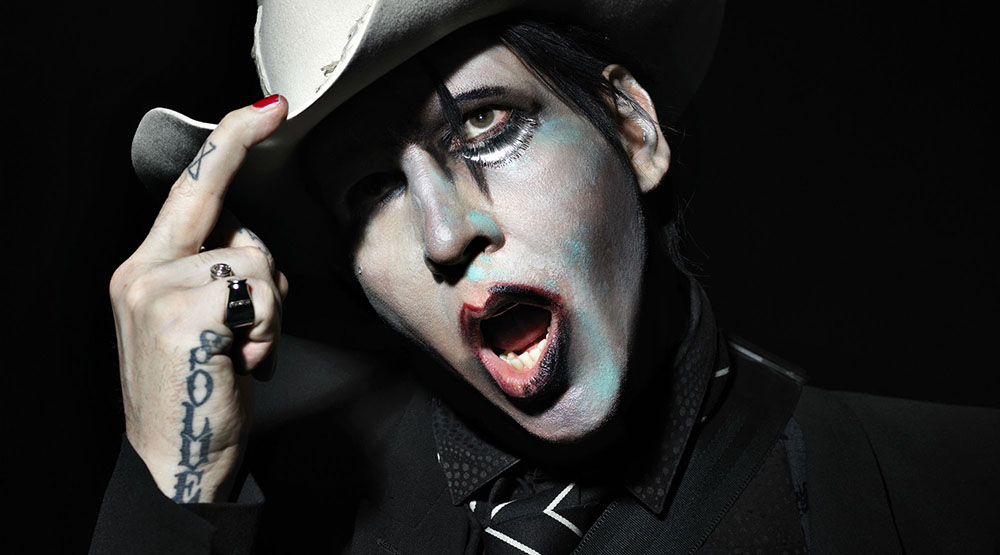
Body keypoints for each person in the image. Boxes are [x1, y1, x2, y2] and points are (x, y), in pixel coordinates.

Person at [91, 1, 999, 553]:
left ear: (632, 128)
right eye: (373, 190)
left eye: (485, 124)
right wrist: (174, 484)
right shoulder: (291, 519)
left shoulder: (953, 493)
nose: (446, 234)